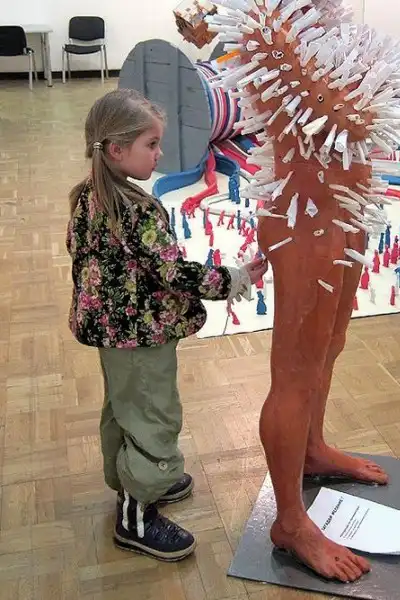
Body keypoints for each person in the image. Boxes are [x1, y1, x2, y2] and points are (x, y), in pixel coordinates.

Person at [66, 89, 268, 562]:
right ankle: (136, 515)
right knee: (154, 416)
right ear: (117, 150)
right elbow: (172, 272)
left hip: (113, 333)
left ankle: (135, 478)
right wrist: (234, 278)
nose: (159, 154)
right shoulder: (135, 209)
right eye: (151, 144)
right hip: (140, 335)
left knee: (125, 409)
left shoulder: (90, 195)